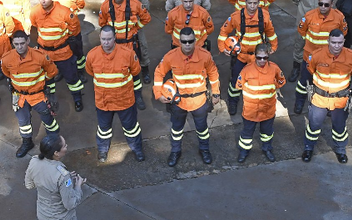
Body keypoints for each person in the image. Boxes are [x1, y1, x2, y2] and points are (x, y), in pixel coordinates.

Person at [153, 27, 221, 166]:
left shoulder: (205, 56)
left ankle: (204, 150)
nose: (188, 44)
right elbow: (158, 73)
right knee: (177, 129)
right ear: (180, 41)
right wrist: (158, 94)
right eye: (184, 42)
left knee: (202, 129)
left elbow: (213, 74)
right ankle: (175, 151)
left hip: (199, 101)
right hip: (179, 102)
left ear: (195, 40)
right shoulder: (170, 57)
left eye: (190, 41)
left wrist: (216, 92)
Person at [85, 26, 145, 162]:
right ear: (99, 38)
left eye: (109, 39)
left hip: (125, 101)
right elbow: (90, 71)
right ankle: (102, 150)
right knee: (103, 129)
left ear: (115, 38)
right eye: (103, 39)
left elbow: (136, 72)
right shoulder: (92, 55)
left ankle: (137, 149)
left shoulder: (128, 54)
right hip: (103, 102)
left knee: (131, 128)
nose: (106, 43)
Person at [301, 30, 352, 164]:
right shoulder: (316, 55)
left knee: (339, 127)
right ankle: (308, 148)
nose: (336, 46)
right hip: (319, 99)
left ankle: (340, 150)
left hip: (340, 100)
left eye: (340, 42)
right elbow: (310, 69)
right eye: (333, 42)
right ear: (328, 42)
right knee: (313, 126)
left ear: (344, 42)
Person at [1, 31, 60, 158]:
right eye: (16, 44)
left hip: (38, 95)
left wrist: (42, 84)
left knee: (48, 120)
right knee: (23, 122)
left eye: (22, 43)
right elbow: (7, 73)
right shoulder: (7, 59)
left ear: (28, 41)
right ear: (13, 43)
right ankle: (27, 142)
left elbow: (52, 71)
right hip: (19, 96)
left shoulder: (40, 56)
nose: (20, 47)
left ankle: (55, 142)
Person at [218, 0, 278, 116]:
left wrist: (273, 46)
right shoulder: (235, 17)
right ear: (245, 3)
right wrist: (222, 47)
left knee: (259, 81)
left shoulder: (265, 16)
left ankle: (257, 103)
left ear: (259, 3)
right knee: (235, 81)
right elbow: (224, 32)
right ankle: (233, 102)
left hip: (257, 57)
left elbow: (271, 32)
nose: (252, 6)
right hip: (241, 56)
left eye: (255, 3)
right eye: (249, 3)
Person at [30, 0, 85, 112]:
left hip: (62, 52)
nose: (43, 1)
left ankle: (77, 99)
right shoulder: (35, 12)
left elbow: (75, 29)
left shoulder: (64, 12)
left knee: (72, 78)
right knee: (48, 79)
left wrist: (68, 42)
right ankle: (50, 99)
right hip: (45, 53)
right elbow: (34, 29)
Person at [294, 0, 348, 114]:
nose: (323, 7)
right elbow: (302, 30)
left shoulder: (338, 17)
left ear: (332, 5)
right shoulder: (309, 16)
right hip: (310, 56)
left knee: (328, 84)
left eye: (326, 4)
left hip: (328, 58)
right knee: (304, 82)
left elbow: (343, 33)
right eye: (320, 4)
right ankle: (299, 101)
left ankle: (329, 105)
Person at [235, 43, 286, 163]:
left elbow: (281, 81)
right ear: (255, 56)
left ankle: (267, 149)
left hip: (267, 109)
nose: (262, 60)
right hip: (250, 110)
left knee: (267, 133)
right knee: (247, 133)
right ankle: (244, 151)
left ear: (268, 56)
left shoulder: (274, 69)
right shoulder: (247, 70)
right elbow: (239, 85)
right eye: (259, 57)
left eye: (265, 57)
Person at [288, 0, 335, 81]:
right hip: (305, 19)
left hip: (322, 21)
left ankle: (320, 67)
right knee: (300, 42)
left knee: (321, 43)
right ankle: (296, 67)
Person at [100, 0, 152, 85]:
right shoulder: (105, 6)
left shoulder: (135, 4)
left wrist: (136, 28)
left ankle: (138, 88)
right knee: (117, 68)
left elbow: (146, 18)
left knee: (134, 67)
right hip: (114, 45)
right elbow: (102, 23)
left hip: (130, 44)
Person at [52, 0, 87, 81]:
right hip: (59, 32)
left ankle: (80, 72)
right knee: (60, 53)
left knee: (77, 52)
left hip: (73, 31)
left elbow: (81, 5)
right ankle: (61, 71)